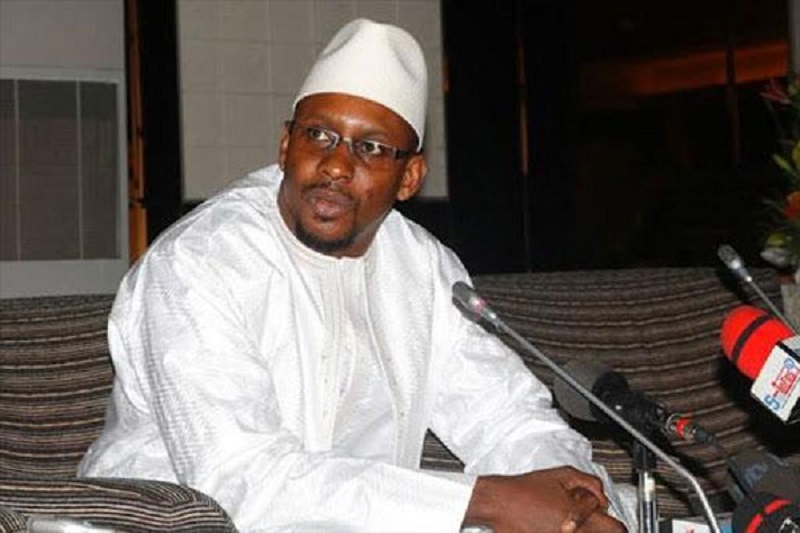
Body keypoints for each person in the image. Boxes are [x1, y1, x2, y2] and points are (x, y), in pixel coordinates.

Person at [79, 18, 635, 532]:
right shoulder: (198, 262)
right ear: (285, 145)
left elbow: (506, 418)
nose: (336, 166)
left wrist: (576, 505)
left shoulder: (422, 267)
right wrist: (484, 500)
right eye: (318, 135)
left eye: (370, 148)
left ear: (410, 177)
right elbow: (239, 480)